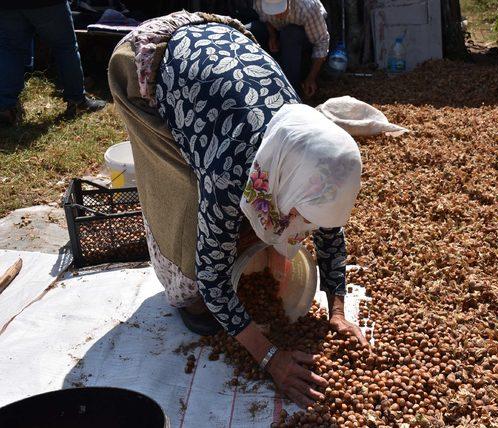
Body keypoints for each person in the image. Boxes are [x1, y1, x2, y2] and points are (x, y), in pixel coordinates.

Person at [109, 12, 366, 408]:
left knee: (236, 210)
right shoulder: (232, 171)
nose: (309, 226)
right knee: (184, 197)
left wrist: (338, 309)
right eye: (305, 216)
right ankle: (181, 289)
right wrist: (269, 357)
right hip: (149, 64)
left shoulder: (312, 154)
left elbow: (330, 231)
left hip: (219, 60)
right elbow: (214, 279)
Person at [0, 0, 106, 126]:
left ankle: (5, 107)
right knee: (65, 48)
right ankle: (76, 100)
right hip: (48, 5)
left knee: (11, 50)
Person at [248, 0, 329, 98]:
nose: (277, 15)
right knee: (251, 30)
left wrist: (311, 78)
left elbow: (321, 42)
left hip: (308, 34)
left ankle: (292, 91)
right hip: (279, 31)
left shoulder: (307, 7)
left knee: (290, 33)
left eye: (280, 10)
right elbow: (265, 19)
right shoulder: (259, 3)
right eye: (272, 10)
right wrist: (272, 36)